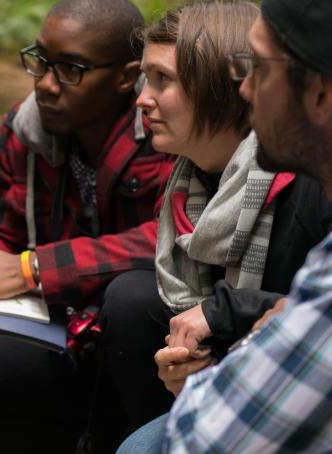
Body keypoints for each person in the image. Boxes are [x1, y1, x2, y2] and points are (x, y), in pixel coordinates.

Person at [0, 0, 174, 451]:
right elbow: (1, 255)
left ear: (126, 76)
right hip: (67, 339)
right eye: (41, 60)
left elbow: (169, 239)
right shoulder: (27, 133)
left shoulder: (165, 128)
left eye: (70, 69)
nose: (45, 83)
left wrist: (34, 268)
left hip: (151, 354)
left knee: (132, 297)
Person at [99, 0, 332, 437]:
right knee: (131, 301)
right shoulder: (188, 183)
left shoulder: (307, 181)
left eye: (162, 79)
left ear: (216, 87)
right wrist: (189, 369)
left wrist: (227, 311)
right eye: (146, 78)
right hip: (253, 367)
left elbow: (317, 323)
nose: (142, 100)